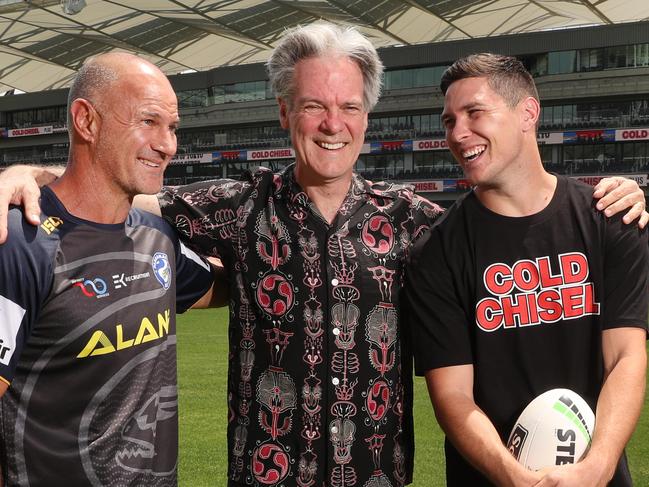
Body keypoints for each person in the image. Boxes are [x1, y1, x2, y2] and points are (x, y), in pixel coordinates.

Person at [0, 25, 646, 487]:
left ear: (366, 117)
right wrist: (21, 174)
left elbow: (521, 218)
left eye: (347, 107)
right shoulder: (233, 207)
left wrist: (618, 193)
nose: (331, 123)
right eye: (313, 105)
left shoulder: (419, 224)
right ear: (285, 113)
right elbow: (109, 193)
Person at [406, 53, 649, 487]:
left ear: (527, 113)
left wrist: (598, 467)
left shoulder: (610, 219)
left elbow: (626, 357)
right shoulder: (435, 252)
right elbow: (453, 396)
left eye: (475, 112)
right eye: (448, 121)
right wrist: (515, 479)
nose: (459, 133)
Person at [0, 52, 221, 486]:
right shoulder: (21, 244)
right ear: (86, 121)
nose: (168, 144)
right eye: (148, 122)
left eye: (172, 128)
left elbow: (232, 287)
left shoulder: (158, 238)